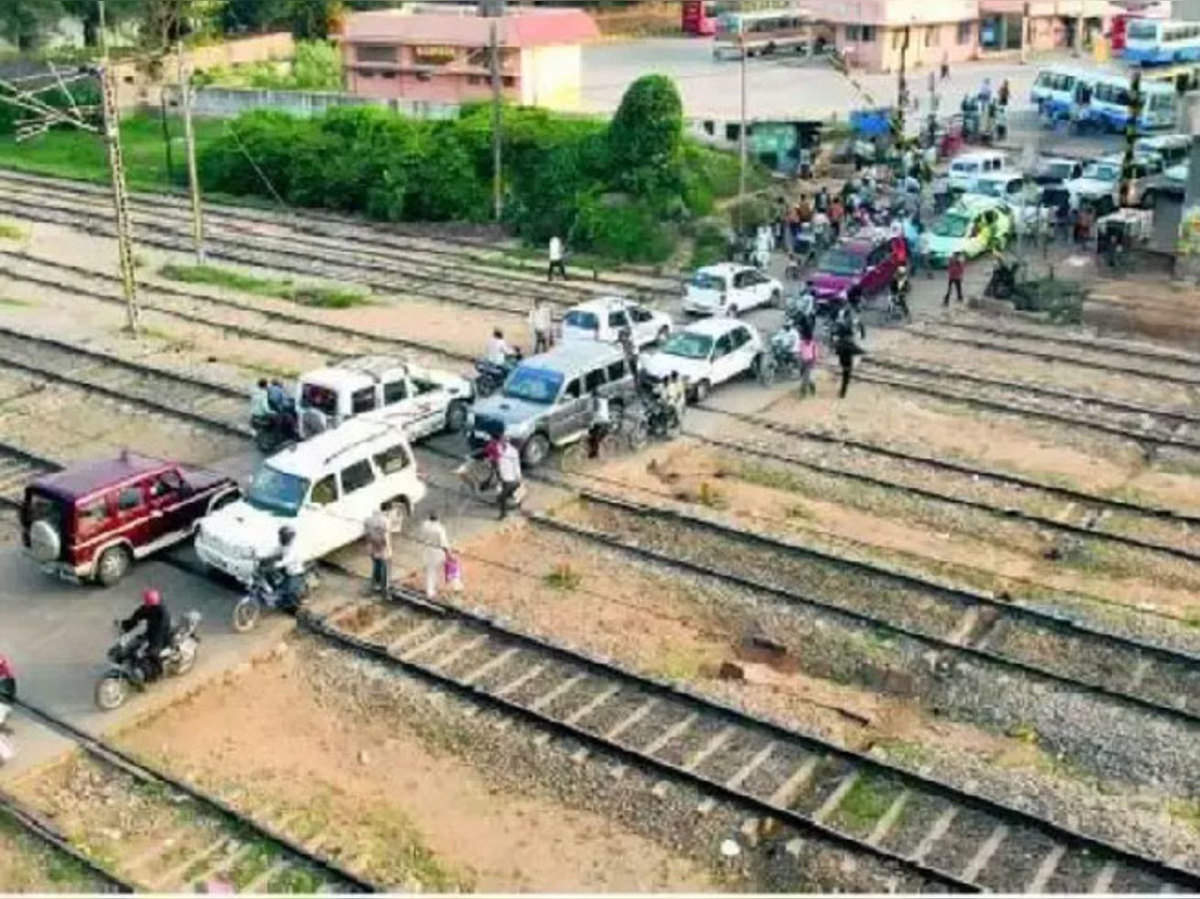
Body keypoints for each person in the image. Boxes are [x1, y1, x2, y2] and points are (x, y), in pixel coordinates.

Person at [120, 589, 171, 682]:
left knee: (151, 654)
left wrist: (152, 645)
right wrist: (126, 625)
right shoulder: (149, 608)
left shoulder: (163, 615)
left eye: (146, 602)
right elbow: (138, 615)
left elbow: (160, 631)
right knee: (136, 644)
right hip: (151, 633)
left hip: (161, 637)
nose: (145, 603)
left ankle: (158, 672)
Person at [832, 308, 863, 399]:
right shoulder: (851, 323)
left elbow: (835, 335)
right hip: (848, 348)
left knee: (845, 369)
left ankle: (843, 391)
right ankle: (843, 391)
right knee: (847, 371)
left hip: (842, 349)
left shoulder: (841, 324)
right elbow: (859, 328)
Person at [420, 512, 450, 600]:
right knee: (435, 571)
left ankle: (431, 589)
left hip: (427, 549)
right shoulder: (440, 529)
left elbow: (422, 536)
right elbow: (444, 543)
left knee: (429, 570)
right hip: (437, 551)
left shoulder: (425, 525)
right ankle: (431, 591)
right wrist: (448, 553)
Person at [364, 504, 391, 597]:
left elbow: (366, 533)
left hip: (372, 545)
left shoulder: (369, 519)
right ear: (387, 510)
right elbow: (385, 537)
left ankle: (375, 584)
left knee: (376, 566)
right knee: (385, 568)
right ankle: (385, 589)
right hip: (382, 547)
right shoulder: (385, 521)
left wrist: (368, 544)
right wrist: (387, 547)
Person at [496, 434, 522, 521]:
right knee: (504, 493)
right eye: (502, 440)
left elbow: (516, 465)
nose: (503, 442)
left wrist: (518, 476)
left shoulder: (513, 452)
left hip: (510, 478)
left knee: (503, 496)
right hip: (502, 475)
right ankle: (511, 501)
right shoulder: (498, 448)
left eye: (505, 441)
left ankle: (503, 513)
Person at [587, 388, 611, 458]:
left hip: (602, 422)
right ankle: (594, 451)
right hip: (601, 421)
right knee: (591, 435)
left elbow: (595, 413)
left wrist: (591, 421)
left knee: (595, 437)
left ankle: (597, 454)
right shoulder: (603, 399)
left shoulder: (596, 402)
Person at [798, 326, 818, 397]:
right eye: (806, 339)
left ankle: (803, 392)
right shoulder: (801, 343)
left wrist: (813, 363)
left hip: (810, 362)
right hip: (803, 362)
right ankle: (812, 388)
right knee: (806, 377)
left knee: (806, 377)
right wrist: (800, 360)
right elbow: (800, 352)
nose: (807, 341)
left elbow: (815, 355)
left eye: (808, 339)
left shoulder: (813, 344)